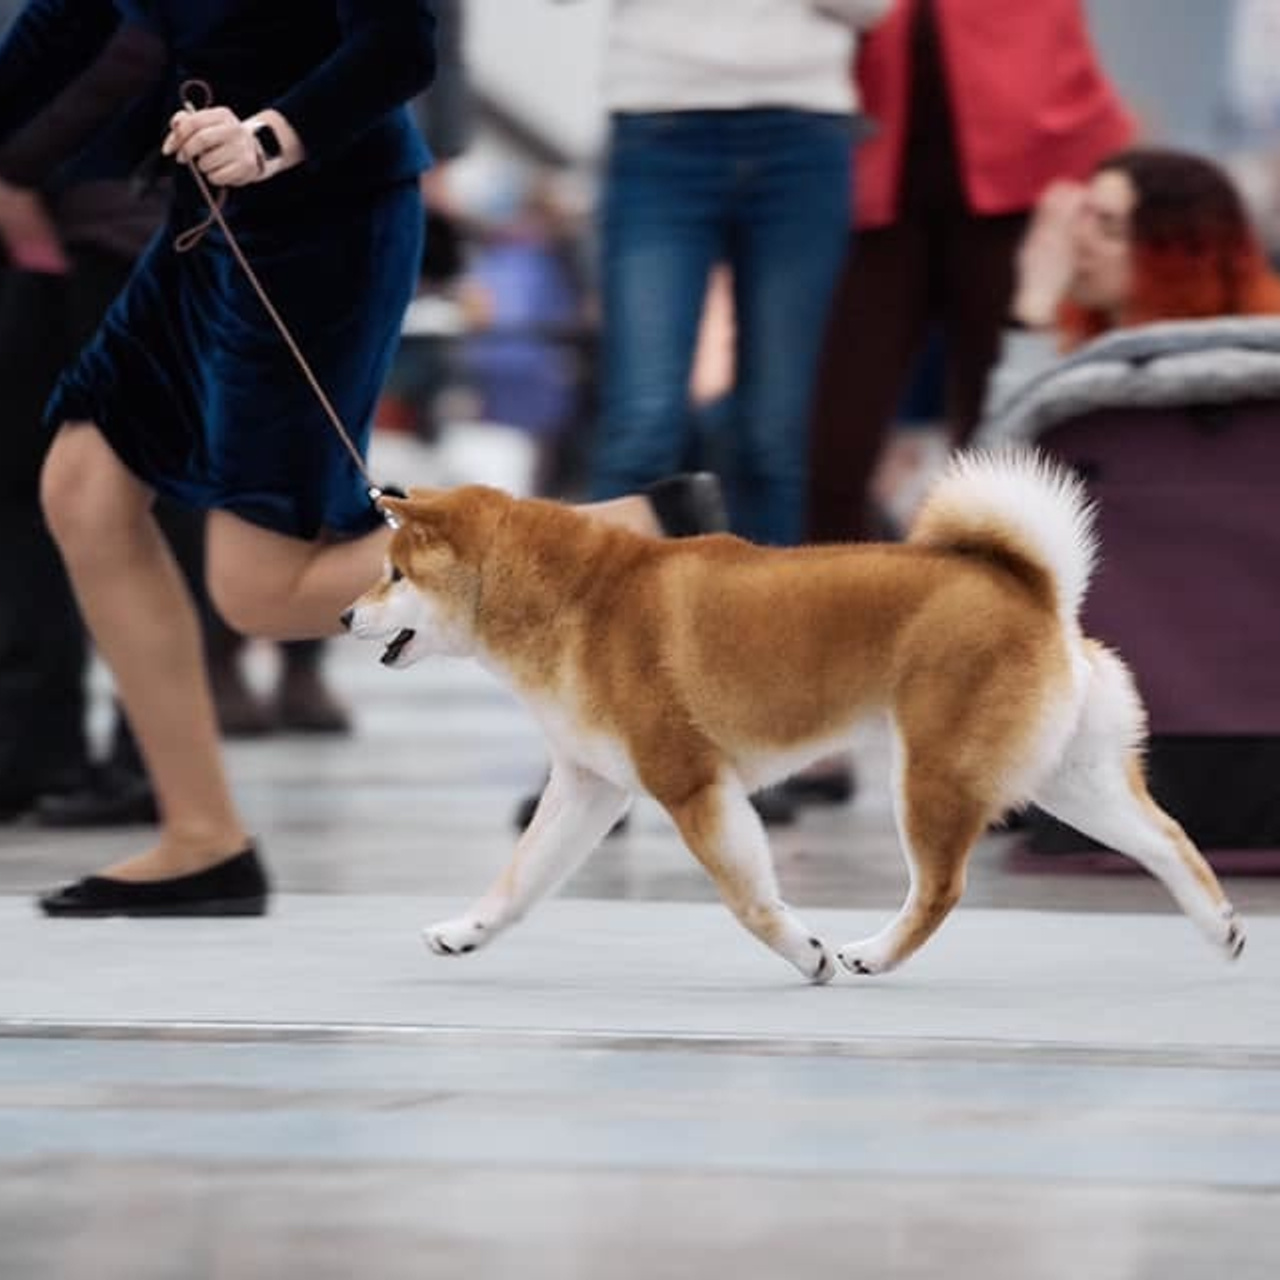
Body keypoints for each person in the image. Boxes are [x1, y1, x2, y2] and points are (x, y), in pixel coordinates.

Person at [0, 0, 727, 916]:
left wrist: (269, 136)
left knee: (262, 591)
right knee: (84, 489)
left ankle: (632, 528)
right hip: (209, 223)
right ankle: (201, 839)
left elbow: (400, 45)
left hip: (321, 228)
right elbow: (64, 26)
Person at [791, 0, 1132, 807]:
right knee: (830, 454)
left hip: (1020, 177)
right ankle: (824, 713)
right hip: (868, 189)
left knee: (1005, 464)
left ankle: (1004, 727)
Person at [583, 0, 892, 547]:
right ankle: (592, 629)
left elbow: (871, 8)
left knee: (775, 439)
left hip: (803, 131)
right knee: (641, 428)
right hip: (658, 120)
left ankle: (765, 628)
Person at [1011, 147, 1280, 344]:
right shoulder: (1094, 346)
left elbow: (1028, 413)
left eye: (1109, 228)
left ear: (1178, 258)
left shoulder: (1233, 367)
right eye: (1081, 217)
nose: (1078, 239)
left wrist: (1036, 304)